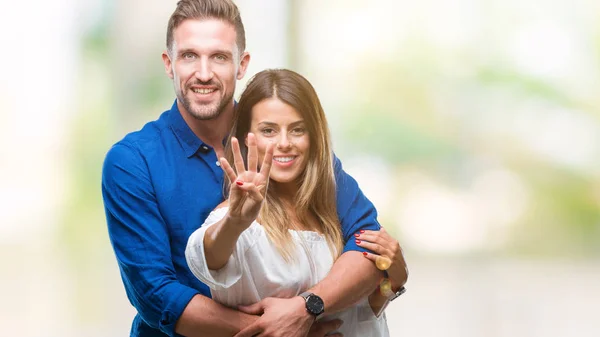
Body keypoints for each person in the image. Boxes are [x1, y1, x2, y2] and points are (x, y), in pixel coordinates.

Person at [101, 1, 407, 336]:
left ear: (241, 64)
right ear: (169, 63)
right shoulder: (132, 162)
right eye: (189, 55)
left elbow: (366, 243)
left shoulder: (283, 139)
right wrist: (282, 330)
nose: (204, 73)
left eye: (219, 56)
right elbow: (156, 296)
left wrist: (308, 308)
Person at [184, 69, 404, 336]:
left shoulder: (333, 209)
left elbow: (363, 308)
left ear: (314, 136)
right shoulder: (236, 221)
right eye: (268, 130)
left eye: (298, 130)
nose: (285, 143)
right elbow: (208, 255)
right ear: (245, 137)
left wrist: (392, 282)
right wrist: (235, 222)